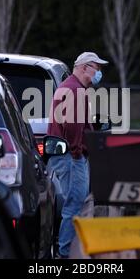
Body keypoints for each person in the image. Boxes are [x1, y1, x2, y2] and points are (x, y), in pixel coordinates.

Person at [46, 51, 108, 258]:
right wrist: (76, 152)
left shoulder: (71, 88)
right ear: (84, 67)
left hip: (67, 155)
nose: (99, 72)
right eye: (96, 67)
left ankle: (67, 251)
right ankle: (66, 254)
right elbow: (72, 126)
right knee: (75, 205)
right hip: (71, 156)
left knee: (74, 204)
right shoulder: (75, 90)